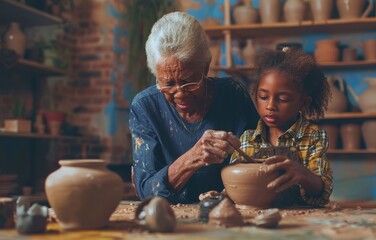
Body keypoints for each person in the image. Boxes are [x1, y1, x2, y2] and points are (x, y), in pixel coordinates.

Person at [129, 12, 259, 204]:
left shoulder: (233, 95)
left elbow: (258, 164)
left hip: (231, 210)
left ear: (205, 68)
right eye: (167, 84)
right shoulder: (145, 107)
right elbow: (147, 192)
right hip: (172, 219)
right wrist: (193, 157)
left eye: (189, 82)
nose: (180, 94)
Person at [230, 48, 333, 207]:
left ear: (303, 103)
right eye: (263, 97)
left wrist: (303, 174)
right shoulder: (248, 138)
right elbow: (235, 182)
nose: (270, 106)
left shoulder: (312, 136)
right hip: (257, 216)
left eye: (283, 99)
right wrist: (224, 194)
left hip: (301, 219)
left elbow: (323, 190)